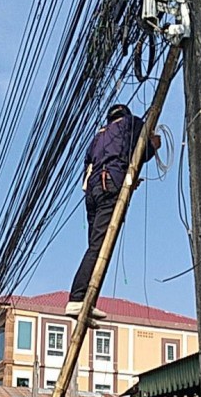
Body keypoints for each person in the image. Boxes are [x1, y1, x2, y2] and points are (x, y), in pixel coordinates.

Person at [65, 104, 161, 319]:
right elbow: (140, 153)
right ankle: (77, 298)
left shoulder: (98, 136)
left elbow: (95, 162)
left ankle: (86, 302)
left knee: (96, 247)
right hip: (109, 186)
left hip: (92, 191)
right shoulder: (131, 124)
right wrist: (153, 146)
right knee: (99, 247)